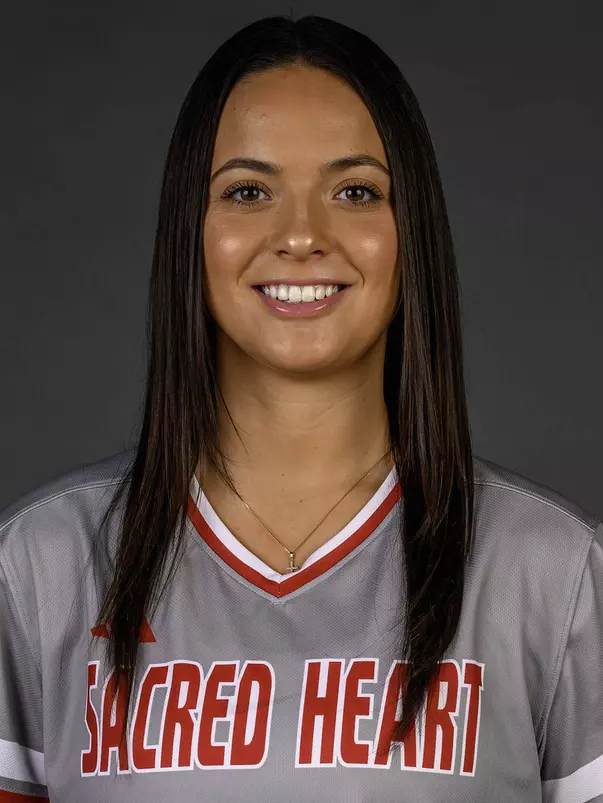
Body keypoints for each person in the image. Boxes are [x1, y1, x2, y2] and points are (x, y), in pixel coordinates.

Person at [0, 13, 601, 803]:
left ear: (409, 230)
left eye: (355, 191)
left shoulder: (550, 571)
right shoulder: (41, 564)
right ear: (192, 229)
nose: (301, 235)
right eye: (248, 191)